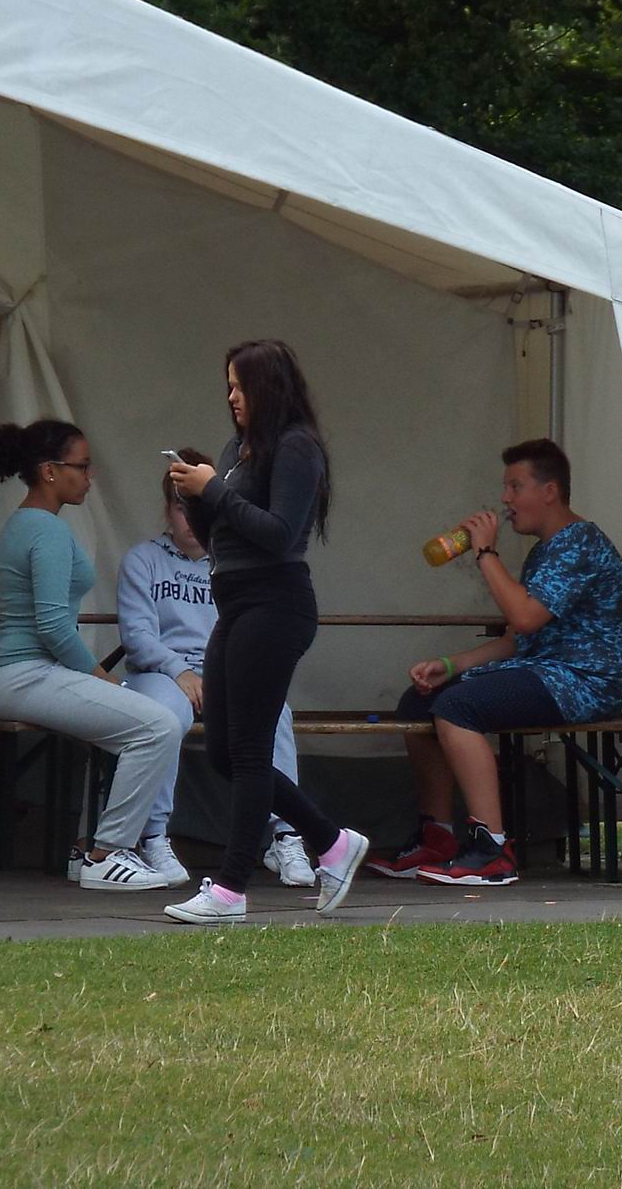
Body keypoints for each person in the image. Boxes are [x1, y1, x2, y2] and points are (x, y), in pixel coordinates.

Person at [162, 339, 367, 924]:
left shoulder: (297, 447)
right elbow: (221, 535)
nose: (231, 397)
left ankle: (230, 889)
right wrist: (193, 497)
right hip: (236, 604)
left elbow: (278, 534)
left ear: (267, 388)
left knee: (250, 750)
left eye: (240, 385)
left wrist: (214, 489)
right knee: (224, 752)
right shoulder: (238, 449)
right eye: (227, 386)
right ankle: (332, 842)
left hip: (276, 604)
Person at [366, 438, 622, 887]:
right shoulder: (545, 550)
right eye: (505, 487)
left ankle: (492, 850)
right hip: (544, 671)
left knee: (459, 707)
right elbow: (518, 639)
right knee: (419, 701)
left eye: (515, 486)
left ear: (550, 491)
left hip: (583, 682)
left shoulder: (580, 543)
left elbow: (524, 617)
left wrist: (486, 553)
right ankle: (437, 837)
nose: (505, 499)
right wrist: (451, 665)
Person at [0, 419, 186, 890]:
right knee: (158, 726)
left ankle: (84, 849)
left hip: (22, 674)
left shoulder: (23, 522)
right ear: (49, 471)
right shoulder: (46, 531)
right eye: (83, 466)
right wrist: (100, 676)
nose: (90, 476)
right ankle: (107, 854)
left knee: (129, 723)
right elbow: (54, 625)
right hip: (27, 674)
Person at [116, 448, 317, 889]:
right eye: (180, 507)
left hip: (224, 669)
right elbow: (138, 637)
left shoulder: (231, 559)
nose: (190, 519)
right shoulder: (143, 559)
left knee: (275, 714)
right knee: (164, 716)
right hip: (163, 674)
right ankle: (154, 837)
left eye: (198, 506)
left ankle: (286, 836)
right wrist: (179, 671)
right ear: (166, 510)